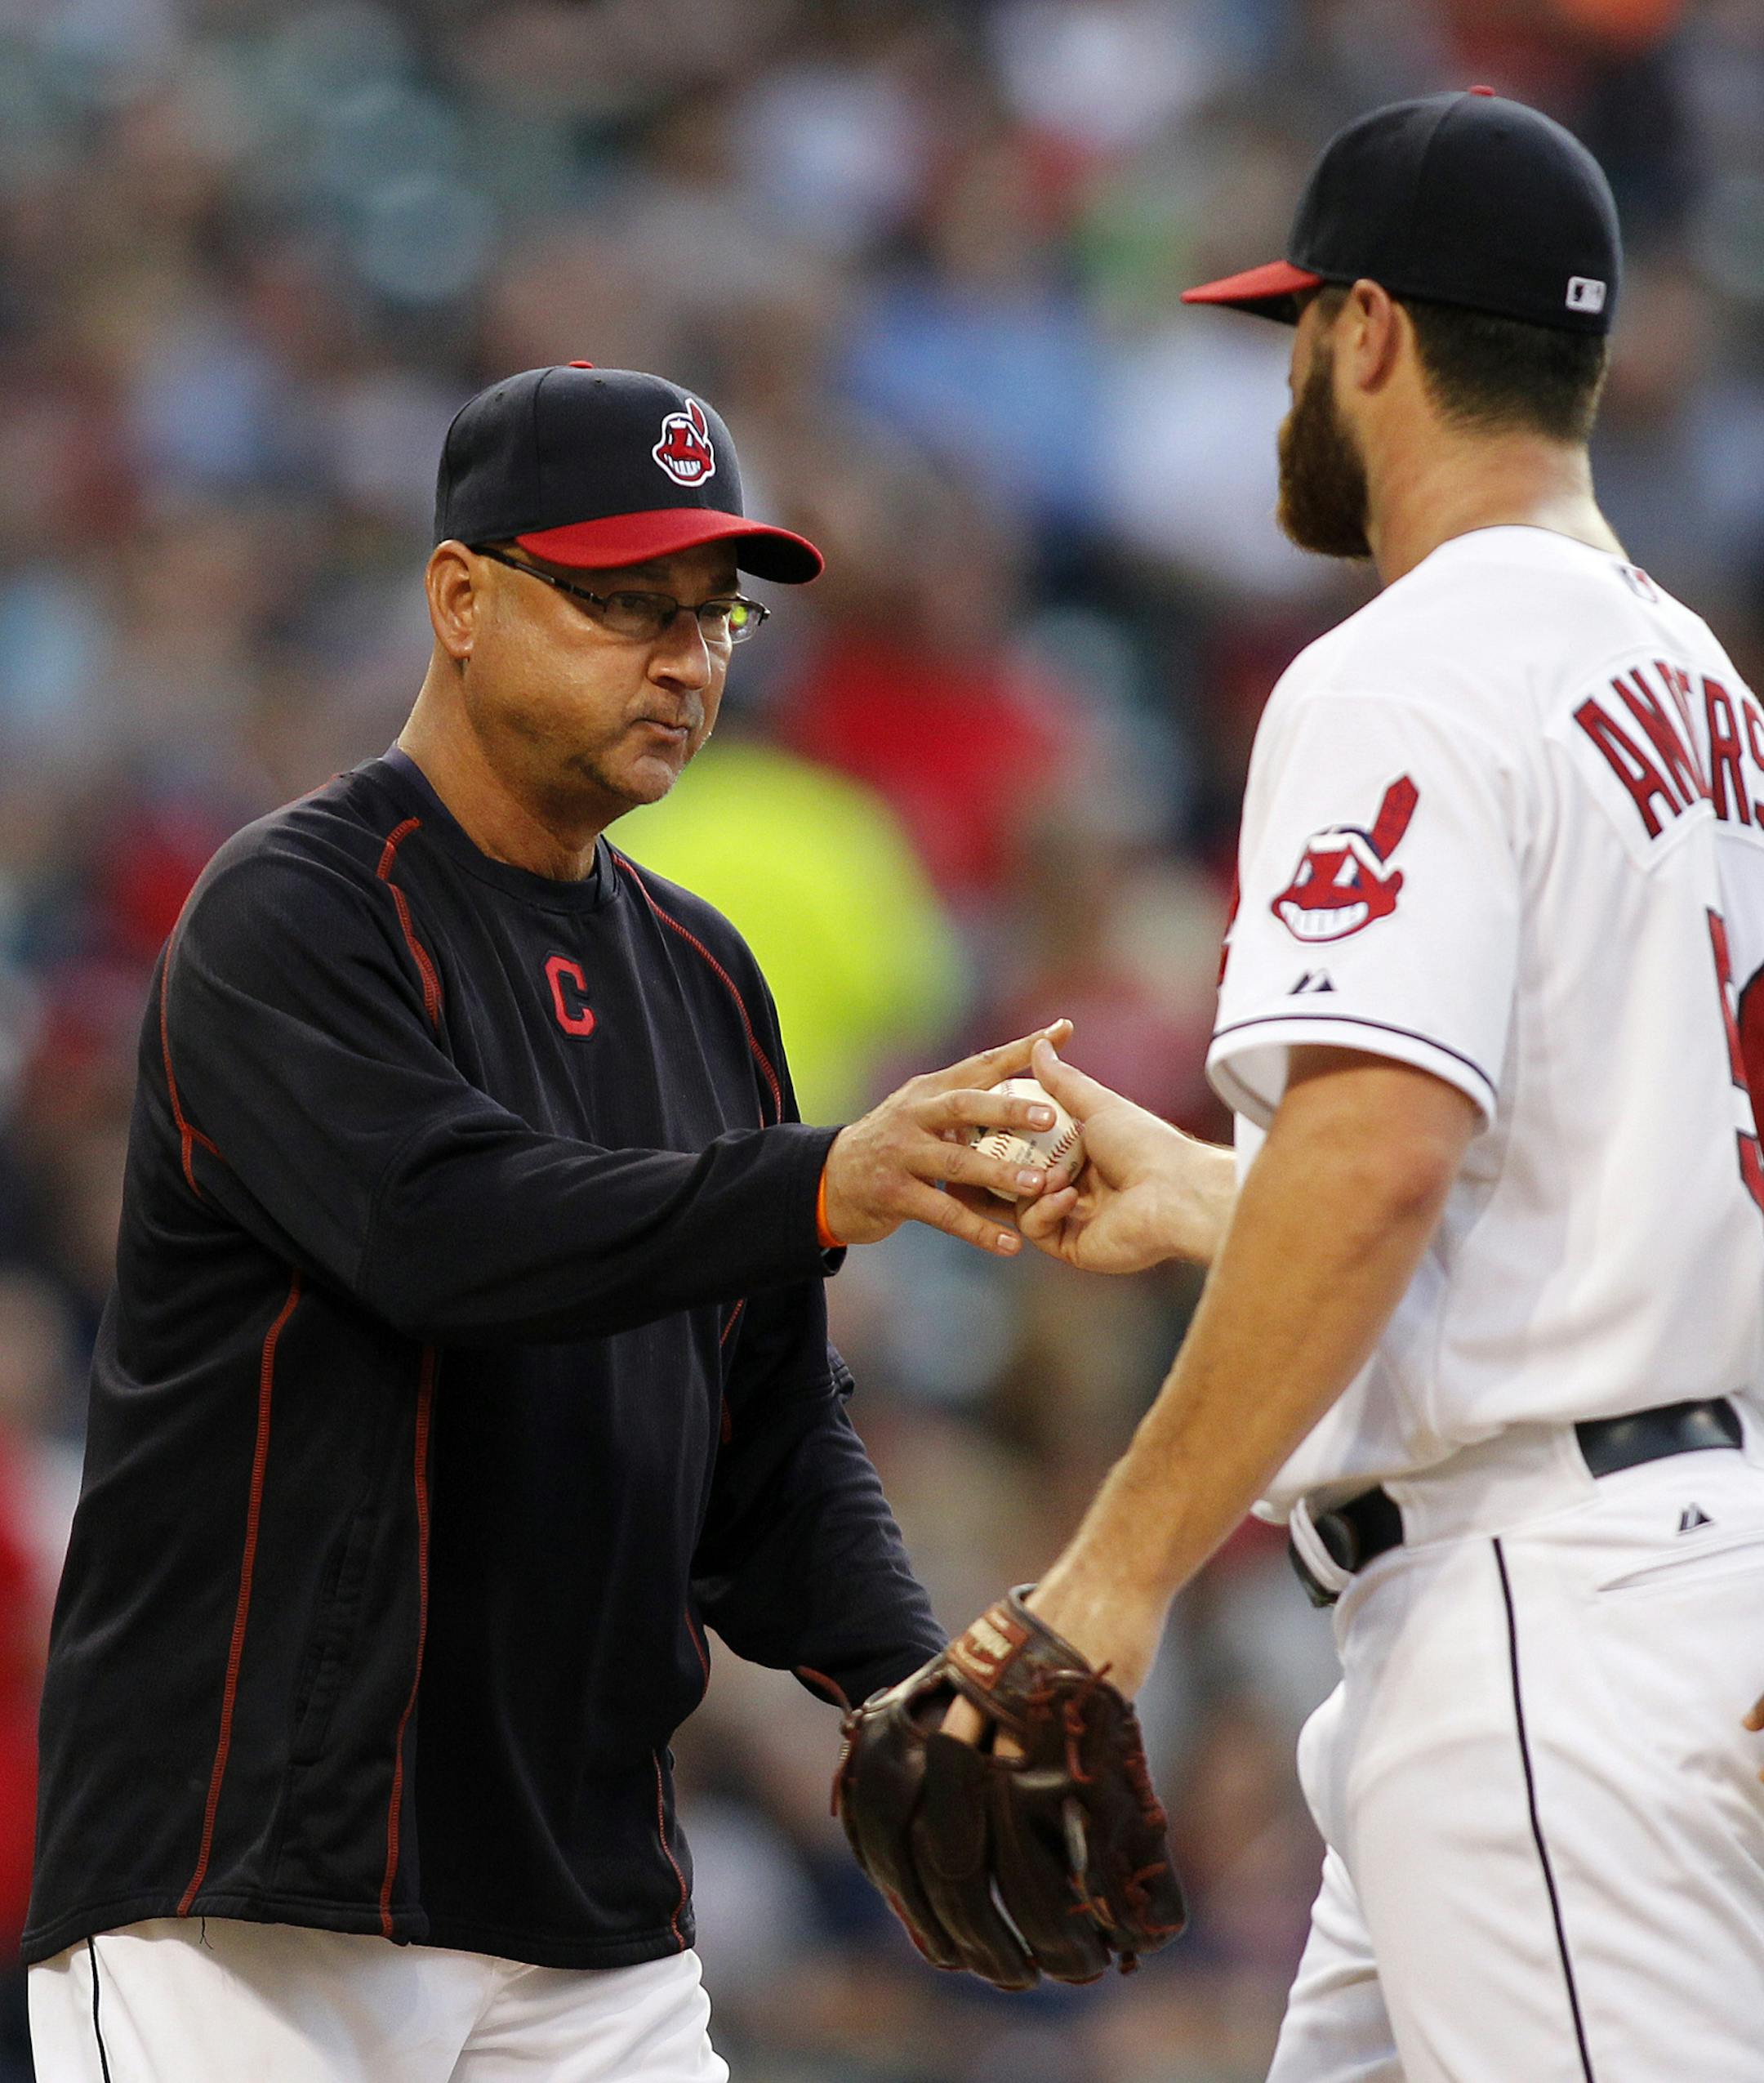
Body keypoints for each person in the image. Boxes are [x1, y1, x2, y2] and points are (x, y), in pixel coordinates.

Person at [23, 361, 1071, 2082]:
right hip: (260, 1896)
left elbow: (770, 1438)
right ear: (458, 597)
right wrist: (820, 1178)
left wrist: (912, 1686)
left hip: (584, 1904)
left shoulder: (706, 975)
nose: (683, 657)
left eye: (711, 615)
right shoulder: (292, 911)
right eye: (617, 602)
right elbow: (447, 1232)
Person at [948, 90, 1764, 2078]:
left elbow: (1385, 1159)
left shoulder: (1411, 663)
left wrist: (1104, 1590)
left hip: (1541, 1636)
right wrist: (1223, 1197)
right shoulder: (1706, 693)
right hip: (1652, 1582)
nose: (1288, 378)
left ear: (1373, 333)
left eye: (1294, 330)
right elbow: (1612, 1201)